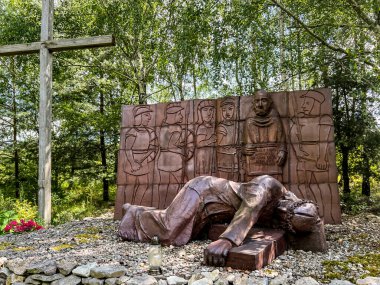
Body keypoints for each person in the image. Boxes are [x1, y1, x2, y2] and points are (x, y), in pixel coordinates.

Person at [118, 175, 324, 266]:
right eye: (284, 211)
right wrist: (228, 240)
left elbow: (310, 221)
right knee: (168, 232)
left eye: (284, 219)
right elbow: (251, 208)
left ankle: (145, 212)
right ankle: (132, 213)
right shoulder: (267, 186)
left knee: (182, 233)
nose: (280, 213)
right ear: (288, 204)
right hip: (203, 191)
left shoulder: (290, 210)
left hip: (212, 212)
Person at [242, 90, 287, 181]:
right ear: (253, 103)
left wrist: (282, 151)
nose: (260, 104)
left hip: (273, 166)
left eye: (264, 100)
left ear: (270, 103)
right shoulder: (249, 120)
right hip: (254, 167)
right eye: (257, 101)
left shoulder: (275, 117)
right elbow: (242, 146)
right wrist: (244, 149)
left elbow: (282, 141)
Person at [157, 102, 194, 208]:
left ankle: (176, 209)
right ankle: (164, 208)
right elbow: (167, 145)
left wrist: (181, 147)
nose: (181, 117)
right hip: (166, 164)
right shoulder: (165, 129)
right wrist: (180, 147)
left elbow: (178, 146)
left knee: (178, 188)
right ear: (172, 115)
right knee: (165, 188)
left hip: (177, 164)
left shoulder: (179, 129)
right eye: (179, 114)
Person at [216, 97, 239, 181]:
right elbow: (220, 145)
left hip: (234, 159)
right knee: (224, 182)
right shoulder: (221, 127)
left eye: (230, 109)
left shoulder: (236, 127)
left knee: (235, 182)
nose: (227, 112)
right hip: (224, 159)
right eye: (224, 110)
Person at [195, 100, 216, 176]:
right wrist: (210, 140)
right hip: (203, 157)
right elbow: (198, 144)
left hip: (211, 156)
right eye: (205, 110)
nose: (209, 113)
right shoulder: (201, 127)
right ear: (200, 112)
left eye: (211, 110)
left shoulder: (212, 127)